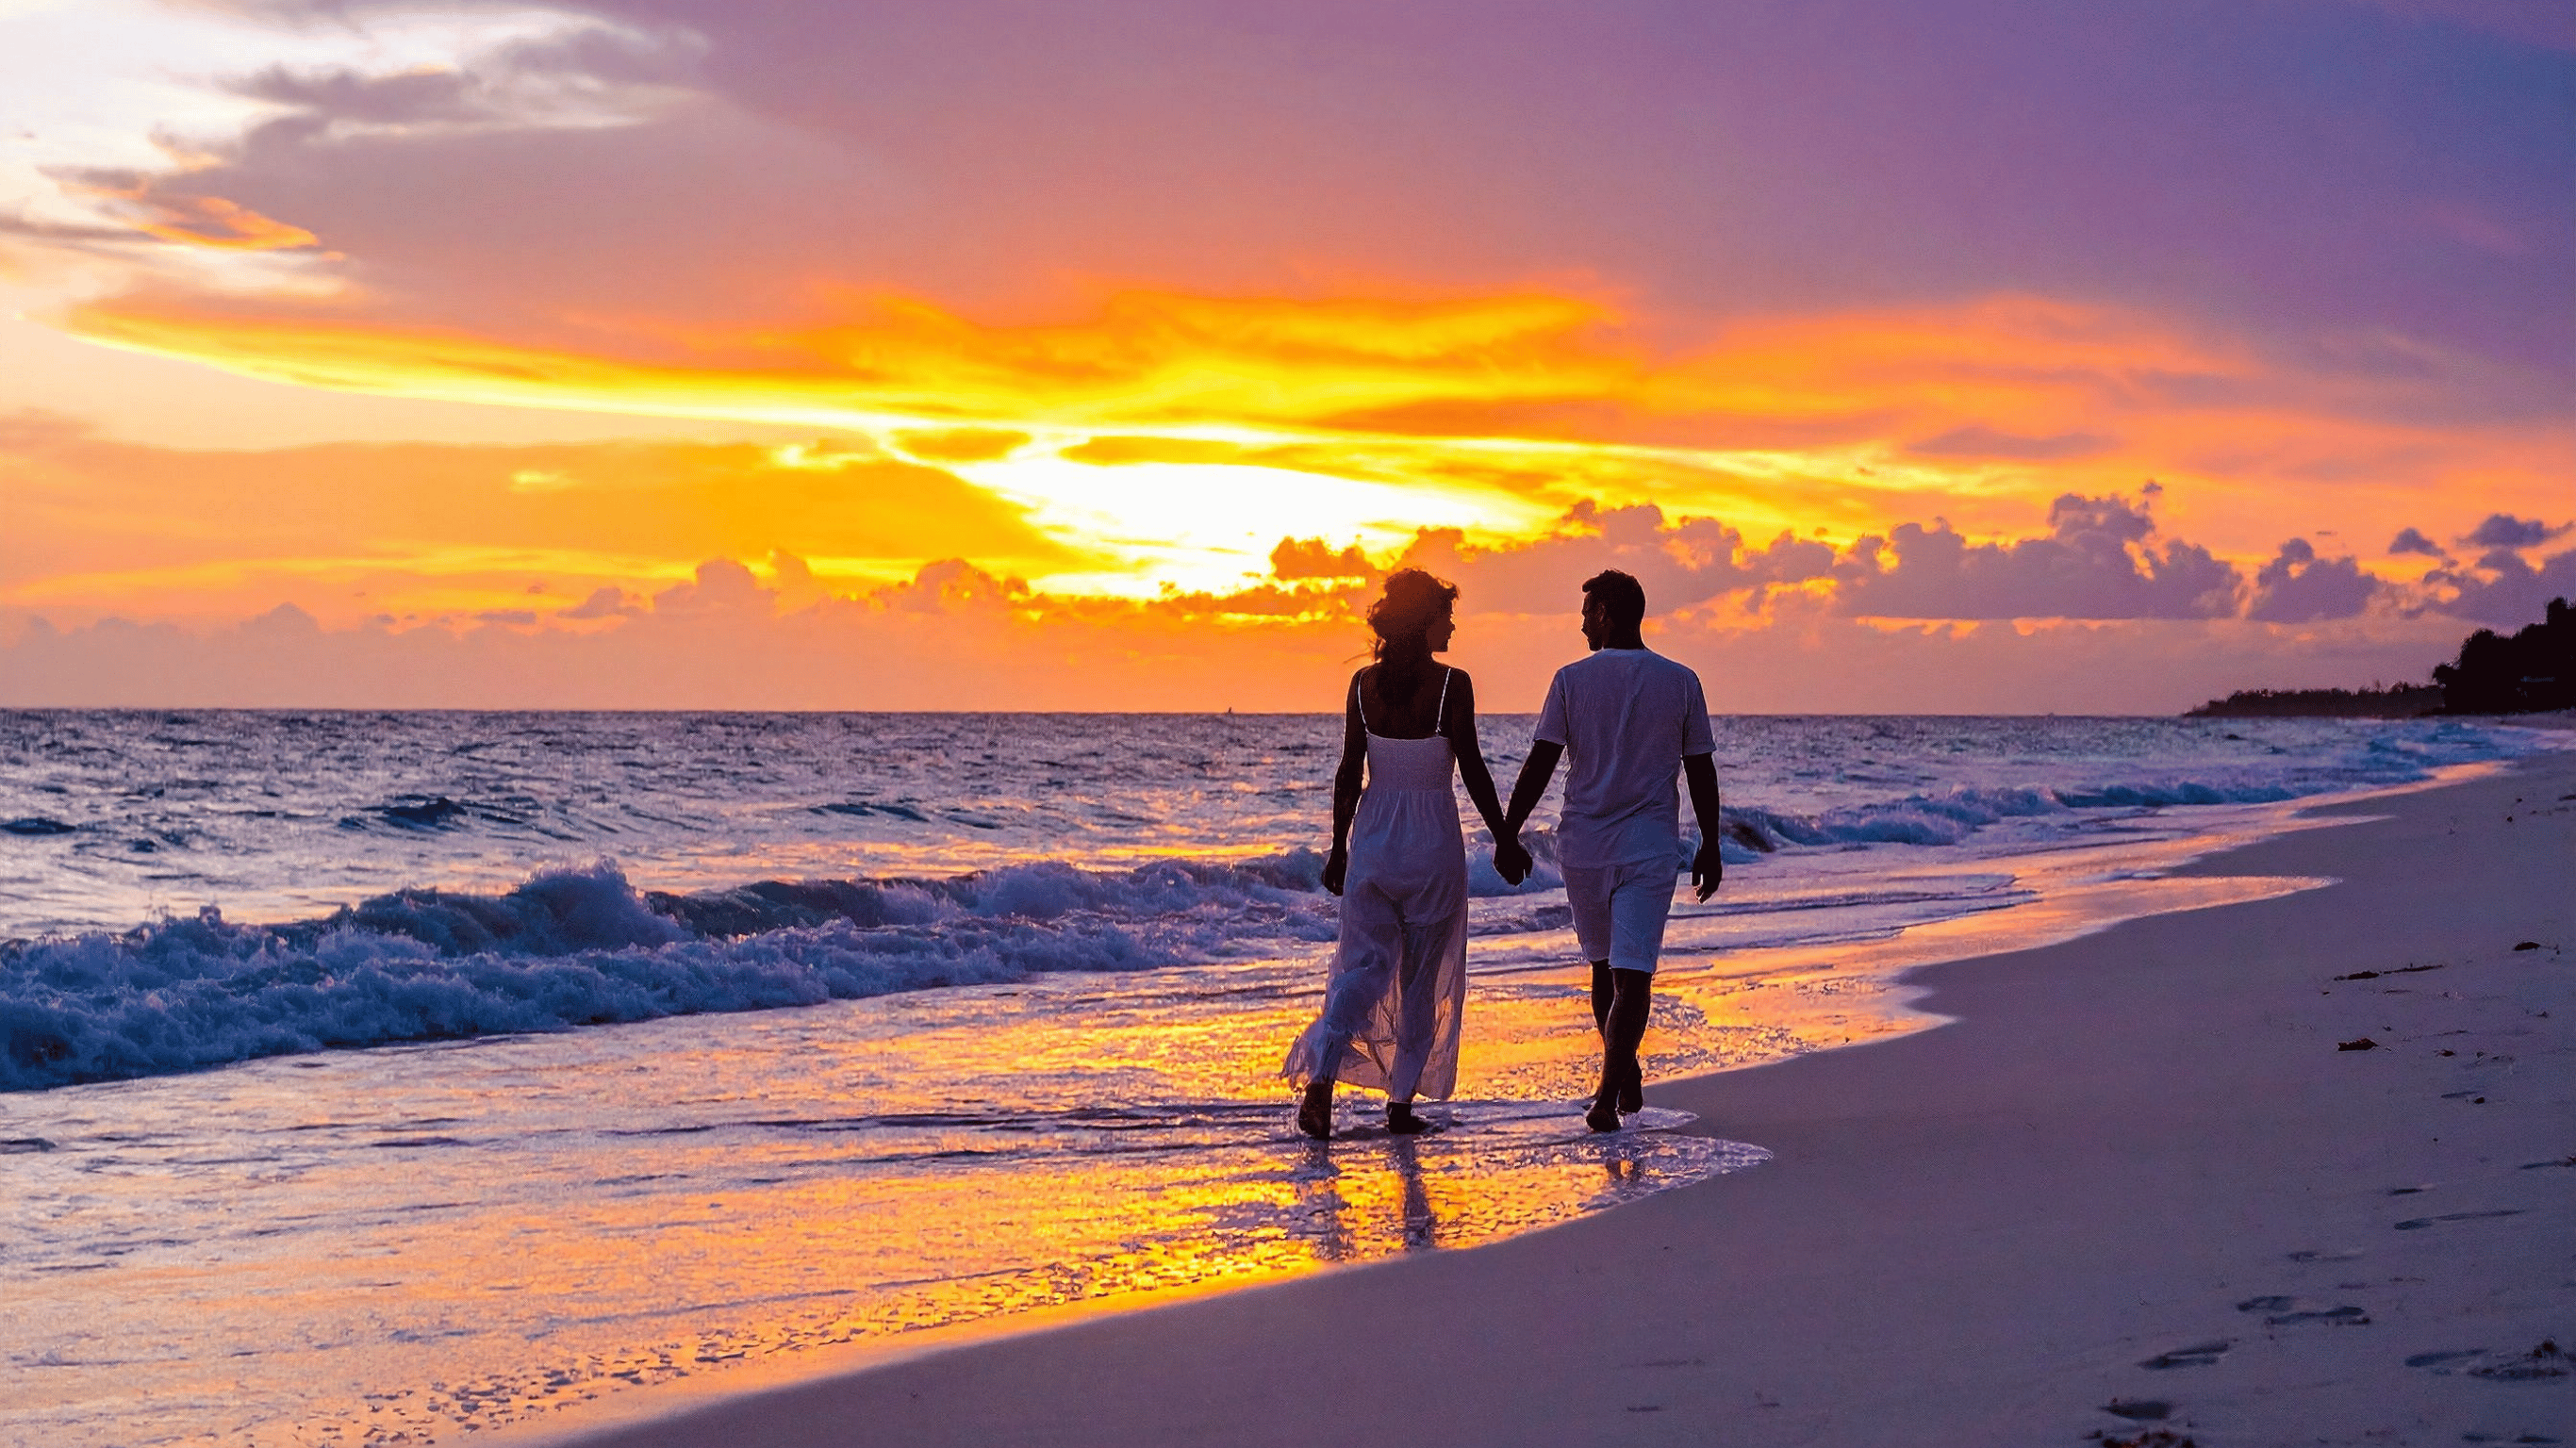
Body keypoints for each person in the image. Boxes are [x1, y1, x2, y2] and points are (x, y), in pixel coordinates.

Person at [1283, 568, 1515, 1140]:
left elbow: (1347, 772)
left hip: (1374, 839)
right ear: (1426, 620)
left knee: (1360, 969)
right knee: (1420, 978)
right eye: (1445, 614)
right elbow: (1474, 768)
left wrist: (1337, 848)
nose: (1453, 624)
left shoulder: (1363, 686)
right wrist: (1505, 837)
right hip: (1432, 841)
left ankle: (1322, 1080)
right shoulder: (1452, 685)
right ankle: (1400, 1106)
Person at [1498, 569, 1723, 1132]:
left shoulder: (1572, 679)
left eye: (1587, 612)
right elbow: (1700, 770)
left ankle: (1605, 1095)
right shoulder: (1681, 679)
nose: (1580, 623)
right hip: (1642, 845)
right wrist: (1710, 844)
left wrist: (1509, 831)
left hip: (1590, 845)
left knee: (1619, 971)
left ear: (1606, 614)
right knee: (1620, 969)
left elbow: (1541, 764)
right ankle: (1623, 1072)